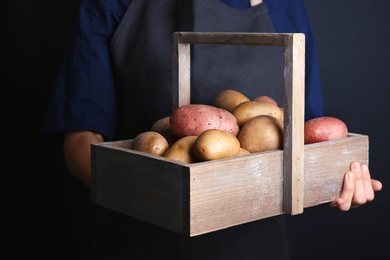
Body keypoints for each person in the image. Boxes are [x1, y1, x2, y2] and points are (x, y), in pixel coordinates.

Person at [41, 0, 382, 259]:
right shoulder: (112, 3)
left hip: (255, 248)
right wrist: (155, 193)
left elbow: (308, 144)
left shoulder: (286, 6)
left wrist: (332, 182)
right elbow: (78, 145)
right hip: (139, 241)